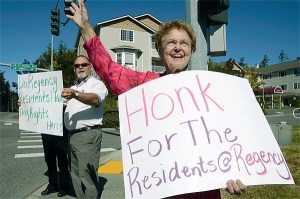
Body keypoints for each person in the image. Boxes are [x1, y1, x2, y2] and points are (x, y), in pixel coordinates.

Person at [67, 0, 247, 198]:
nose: (177, 48)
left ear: (191, 50)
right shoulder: (146, 85)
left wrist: (236, 171)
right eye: (171, 43)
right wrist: (85, 27)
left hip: (203, 189)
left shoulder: (209, 89)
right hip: (161, 187)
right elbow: (109, 70)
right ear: (160, 52)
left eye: (184, 43)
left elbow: (229, 135)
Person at [61, 54, 108, 198]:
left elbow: (95, 99)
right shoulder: (73, 87)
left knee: (87, 177)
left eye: (83, 64)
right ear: (74, 69)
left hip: (88, 135)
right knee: (75, 175)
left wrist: (75, 94)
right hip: (72, 136)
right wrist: (26, 106)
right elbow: (53, 106)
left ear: (90, 67)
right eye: (76, 65)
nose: (80, 67)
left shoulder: (96, 84)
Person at [17, 103, 69, 197]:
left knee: (62, 158)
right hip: (46, 127)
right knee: (49, 158)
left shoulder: (63, 91)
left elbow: (70, 105)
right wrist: (25, 104)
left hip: (60, 127)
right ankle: (53, 185)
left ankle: (64, 186)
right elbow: (35, 103)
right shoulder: (42, 92)